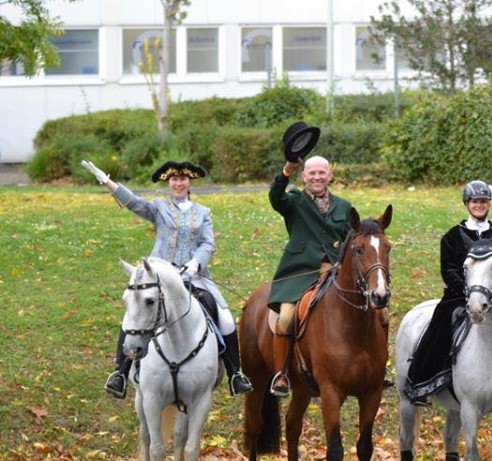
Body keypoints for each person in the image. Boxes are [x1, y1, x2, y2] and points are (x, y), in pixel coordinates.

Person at [81, 159, 253, 399]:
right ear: (168, 182)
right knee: (133, 315)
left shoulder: (203, 213)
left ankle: (235, 373)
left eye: (183, 179)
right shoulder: (158, 207)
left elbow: (207, 242)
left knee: (224, 316)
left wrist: (196, 262)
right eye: (174, 179)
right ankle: (121, 372)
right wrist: (108, 182)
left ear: (190, 182)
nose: (179, 183)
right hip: (159, 275)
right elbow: (134, 203)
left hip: (195, 277)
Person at [403, 180, 492, 407]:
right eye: (475, 201)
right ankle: (423, 381)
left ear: (489, 204)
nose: (479, 205)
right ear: (467, 204)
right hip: (458, 295)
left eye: (483, 201)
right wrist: (469, 290)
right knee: (438, 327)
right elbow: (447, 269)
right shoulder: (452, 236)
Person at [266, 155, 352, 397]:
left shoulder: (343, 206)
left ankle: (373, 369)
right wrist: (286, 172)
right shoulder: (293, 200)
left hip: (335, 270)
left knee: (374, 310)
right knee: (286, 317)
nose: (317, 177)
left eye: (321, 173)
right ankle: (281, 374)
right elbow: (275, 198)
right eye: (312, 173)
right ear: (304, 176)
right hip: (299, 271)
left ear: (330, 175)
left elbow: (350, 239)